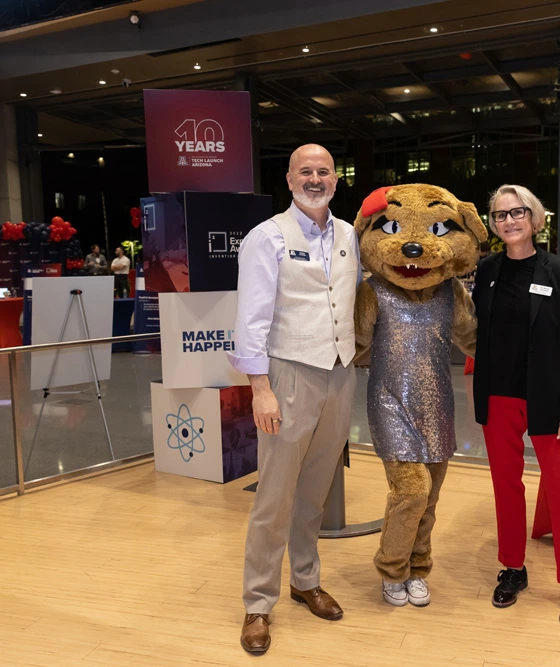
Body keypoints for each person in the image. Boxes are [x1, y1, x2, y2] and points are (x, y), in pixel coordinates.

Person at [228, 144, 360, 655]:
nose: (314, 178)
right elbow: (252, 317)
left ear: (335, 179)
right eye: (305, 171)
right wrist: (260, 389)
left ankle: (305, 580)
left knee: (315, 490)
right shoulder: (267, 237)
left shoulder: (350, 235)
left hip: (339, 374)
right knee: (275, 494)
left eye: (323, 171)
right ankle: (258, 603)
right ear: (288, 179)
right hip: (287, 375)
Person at [471, 184, 560, 627]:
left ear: (535, 218)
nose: (509, 221)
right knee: (506, 487)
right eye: (500, 215)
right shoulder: (486, 271)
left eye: (517, 212)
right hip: (498, 395)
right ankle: (513, 568)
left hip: (549, 399)